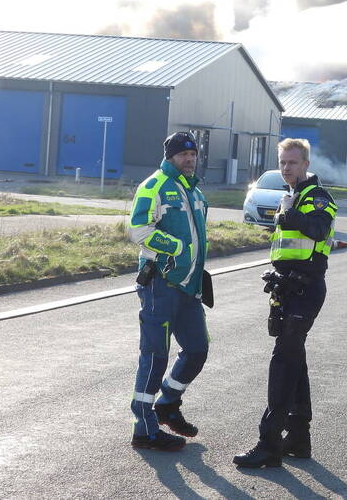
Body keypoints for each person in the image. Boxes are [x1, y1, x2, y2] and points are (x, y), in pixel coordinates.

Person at [234, 138, 338, 468]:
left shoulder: (317, 197)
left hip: (306, 289)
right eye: (282, 162)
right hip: (287, 287)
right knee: (295, 359)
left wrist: (292, 216)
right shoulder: (288, 197)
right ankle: (297, 437)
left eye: (292, 163)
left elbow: (319, 230)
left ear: (306, 164)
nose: (286, 168)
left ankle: (269, 443)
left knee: (283, 363)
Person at [128, 131, 211, 452]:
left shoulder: (194, 190)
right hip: (159, 286)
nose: (189, 159)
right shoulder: (154, 186)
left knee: (197, 350)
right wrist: (175, 249)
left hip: (189, 286)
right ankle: (144, 428)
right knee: (155, 356)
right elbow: (139, 229)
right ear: (170, 156)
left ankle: (167, 404)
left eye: (193, 154)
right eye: (183, 155)